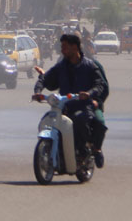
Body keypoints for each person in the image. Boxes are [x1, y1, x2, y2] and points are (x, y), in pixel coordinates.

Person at [32, 33, 107, 169]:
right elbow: (45, 78)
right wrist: (38, 92)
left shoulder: (90, 66)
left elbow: (100, 85)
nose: (62, 50)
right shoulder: (61, 66)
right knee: (46, 120)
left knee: (80, 120)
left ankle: (85, 151)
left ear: (75, 47)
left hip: (83, 106)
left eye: (65, 47)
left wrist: (89, 94)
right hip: (64, 107)